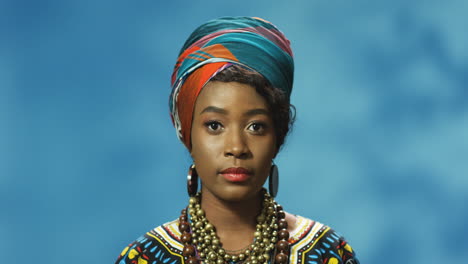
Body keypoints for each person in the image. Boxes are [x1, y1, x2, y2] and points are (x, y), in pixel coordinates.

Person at [115, 17, 359, 264]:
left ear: (278, 136)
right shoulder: (144, 257)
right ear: (187, 134)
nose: (236, 148)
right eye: (214, 126)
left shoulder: (328, 251)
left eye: (256, 127)